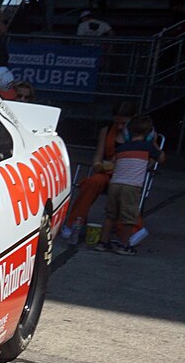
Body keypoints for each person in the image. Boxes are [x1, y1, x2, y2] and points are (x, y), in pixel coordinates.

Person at [62, 101, 137, 244]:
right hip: (107, 172)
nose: (119, 126)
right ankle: (74, 222)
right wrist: (97, 164)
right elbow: (99, 153)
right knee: (92, 182)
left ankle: (132, 230)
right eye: (117, 122)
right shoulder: (107, 130)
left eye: (123, 123)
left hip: (128, 174)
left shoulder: (141, 133)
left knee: (127, 190)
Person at [95, 115, 165, 255]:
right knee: (128, 218)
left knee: (110, 215)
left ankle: (103, 243)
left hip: (115, 184)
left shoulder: (122, 148)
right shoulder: (148, 147)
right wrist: (155, 144)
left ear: (128, 132)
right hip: (131, 186)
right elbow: (161, 158)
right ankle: (124, 245)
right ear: (149, 133)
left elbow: (114, 162)